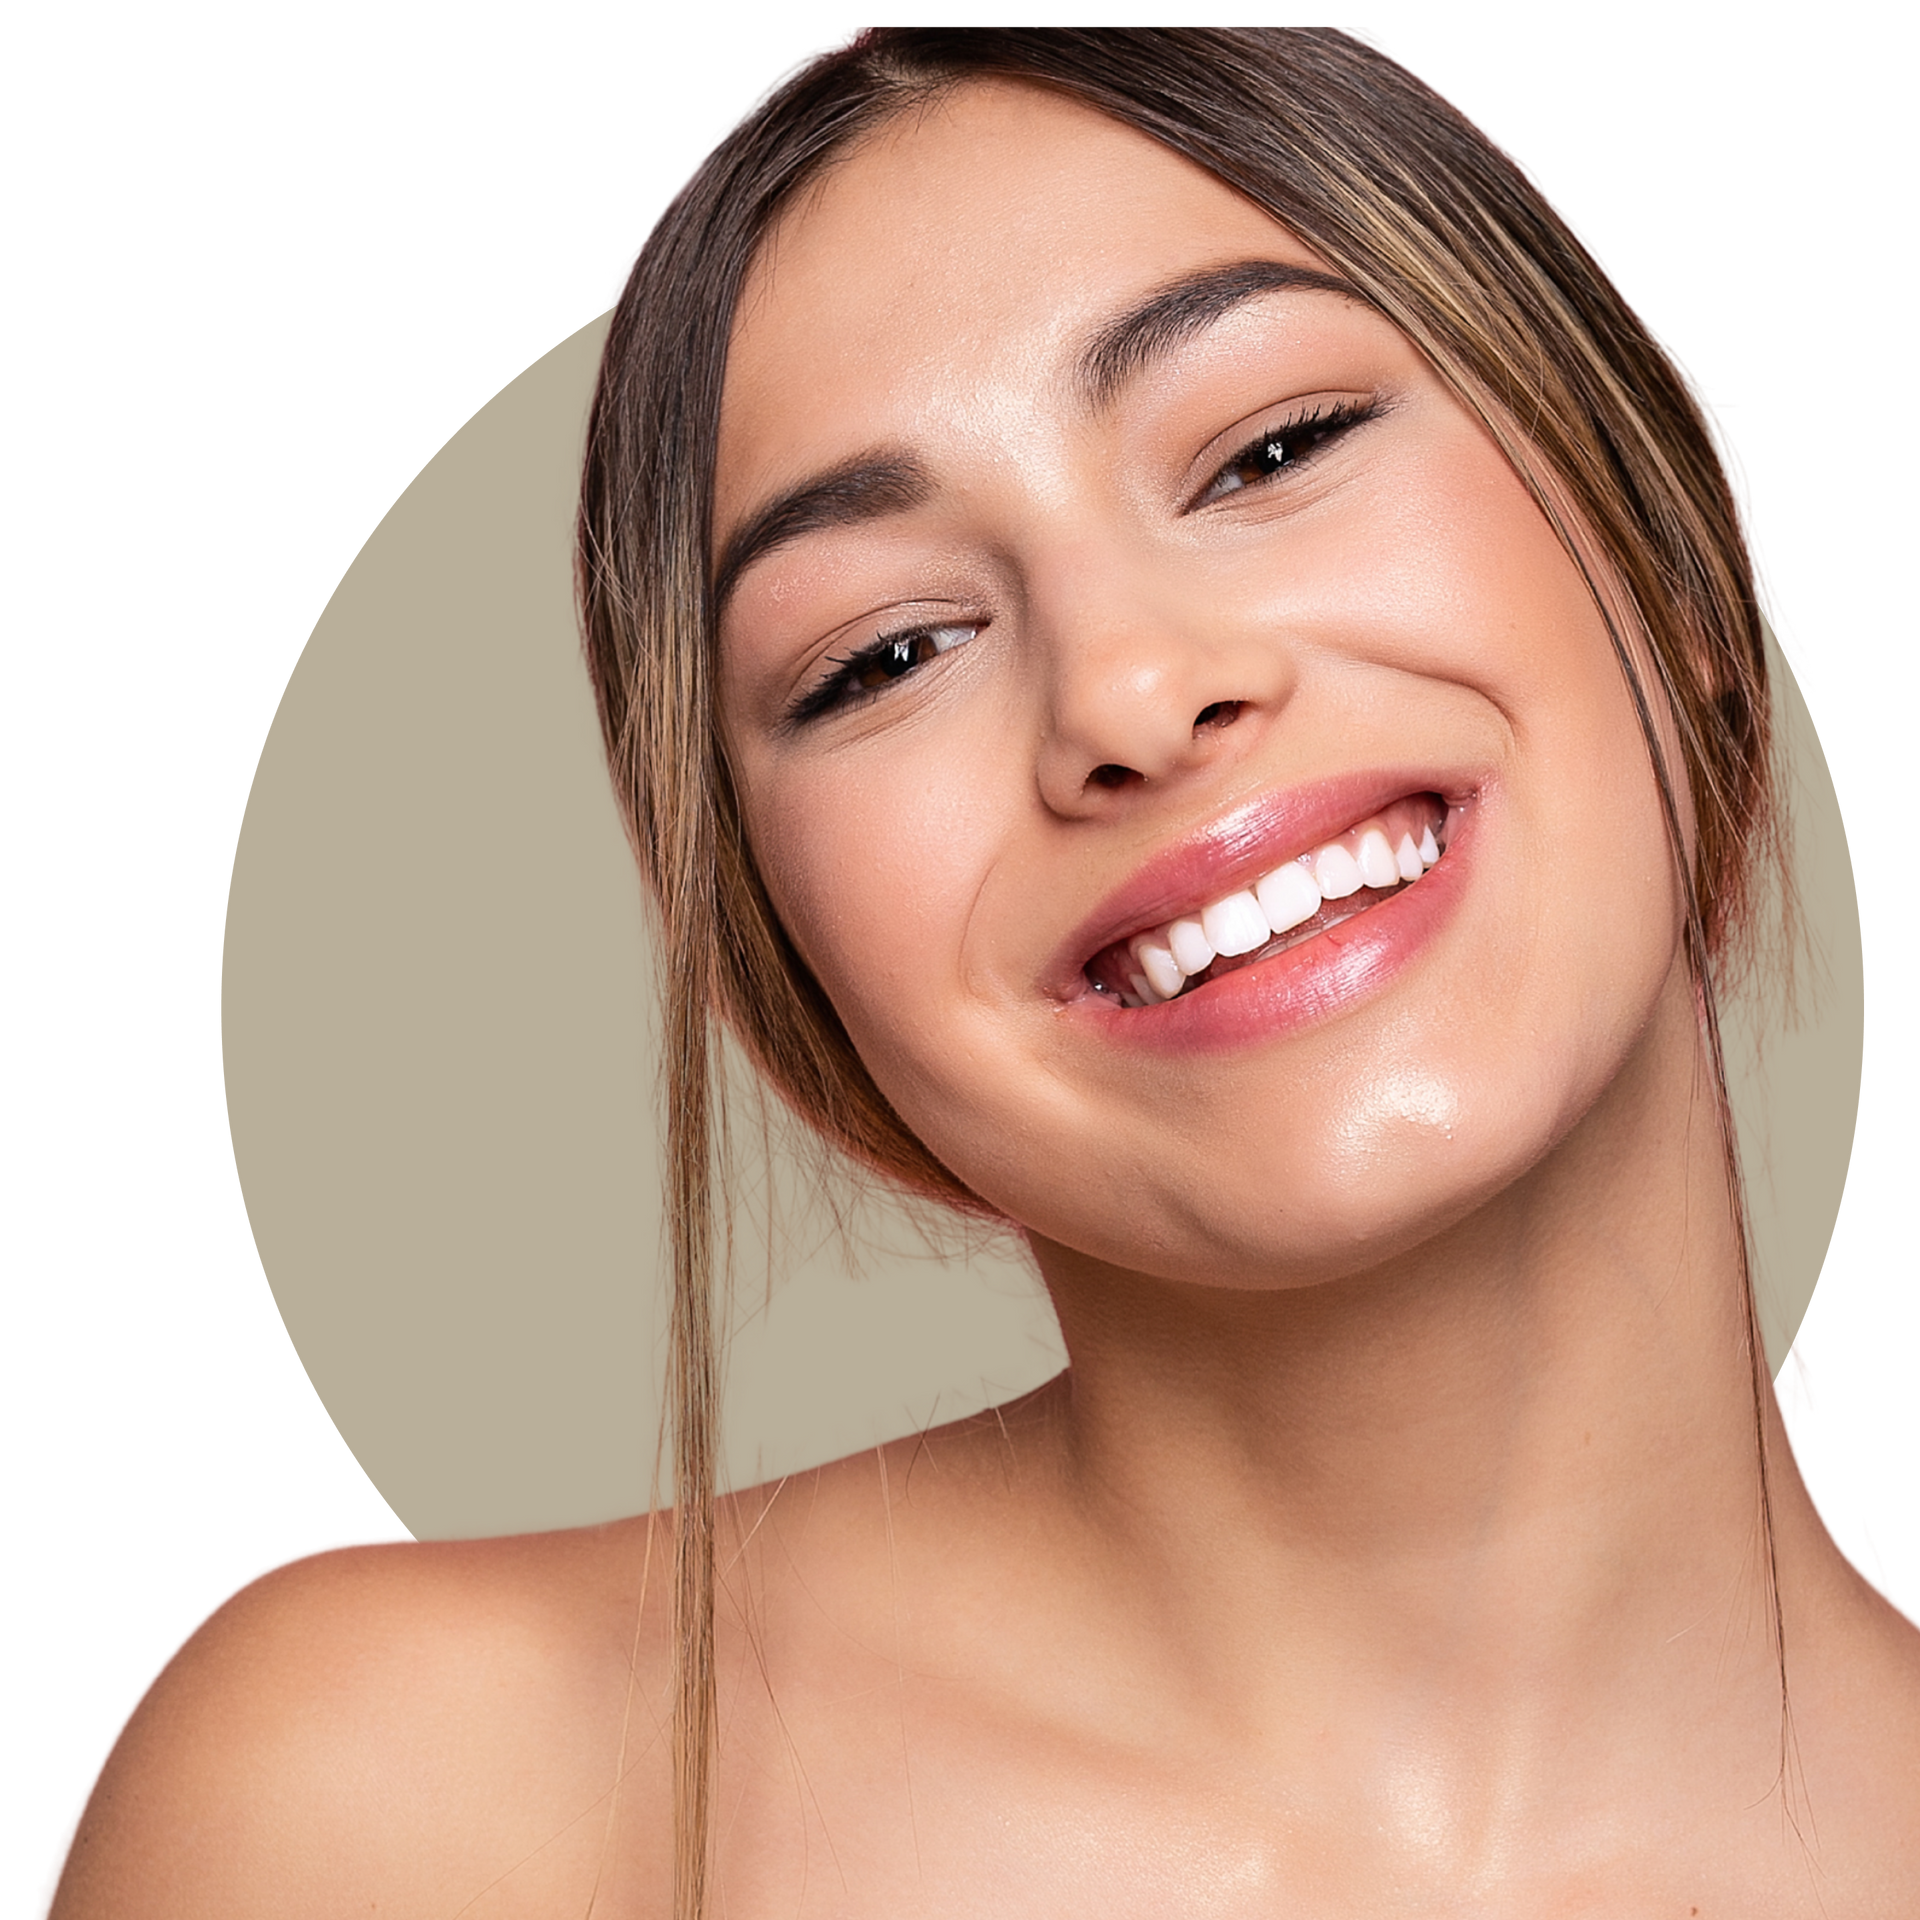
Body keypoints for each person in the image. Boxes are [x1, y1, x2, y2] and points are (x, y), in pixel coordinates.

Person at [39, 26, 1911, 1919]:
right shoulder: (399, 1802)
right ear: (796, 977)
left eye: (1273, 446)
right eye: (883, 653)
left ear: (1670, 577)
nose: (1128, 694)